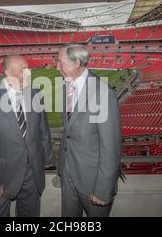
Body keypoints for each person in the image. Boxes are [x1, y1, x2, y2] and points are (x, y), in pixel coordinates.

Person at [0, 55, 53, 217]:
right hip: (1, 178)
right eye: (23, 69)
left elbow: (43, 130)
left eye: (28, 68)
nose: (28, 72)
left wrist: (48, 159)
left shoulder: (35, 94)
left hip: (32, 175)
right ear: (8, 73)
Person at [56, 44, 122, 217]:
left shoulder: (103, 92)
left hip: (94, 181)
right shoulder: (67, 85)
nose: (57, 67)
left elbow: (111, 146)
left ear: (77, 63)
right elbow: (69, 131)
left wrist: (103, 188)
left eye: (60, 62)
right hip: (68, 173)